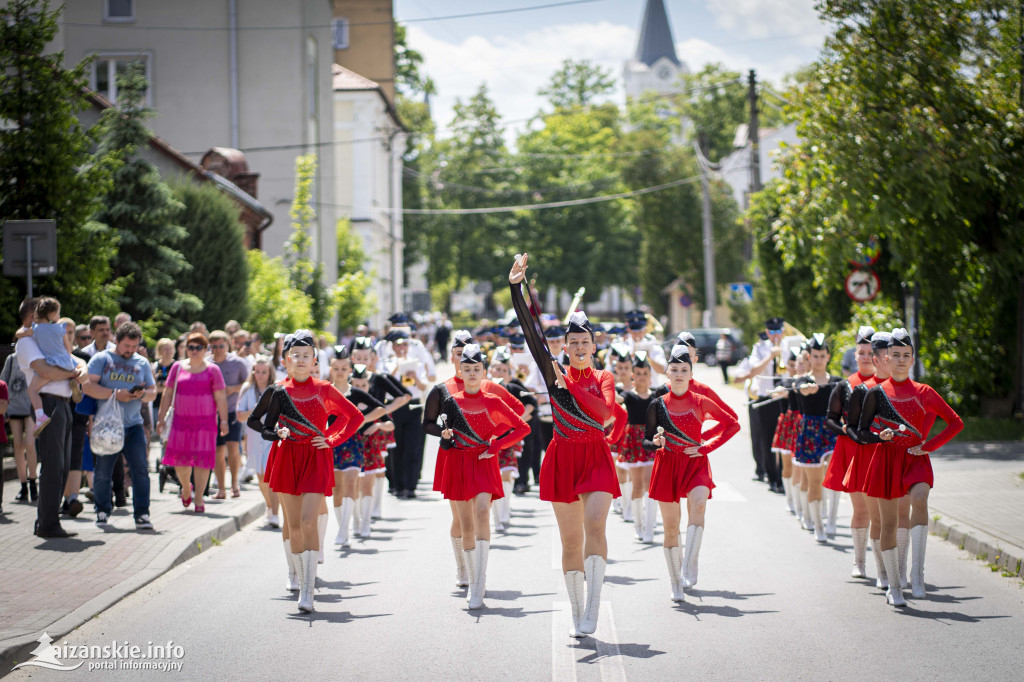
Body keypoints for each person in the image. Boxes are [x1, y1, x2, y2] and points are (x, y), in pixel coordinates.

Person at [509, 253, 620, 638]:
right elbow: (529, 329)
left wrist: (568, 383)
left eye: (584, 342)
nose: (578, 347)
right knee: (570, 541)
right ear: (566, 344)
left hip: (595, 455)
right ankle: (577, 611)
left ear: (593, 345)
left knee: (595, 523)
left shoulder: (603, 376)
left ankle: (593, 607)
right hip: (562, 456)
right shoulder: (551, 369)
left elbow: (604, 413)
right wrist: (514, 288)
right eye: (572, 342)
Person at [249, 330, 363, 613]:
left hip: (315, 457)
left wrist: (331, 438)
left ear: (315, 361)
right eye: (295, 355)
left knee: (309, 520)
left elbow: (354, 417)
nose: (300, 360)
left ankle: (308, 589)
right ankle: (297, 575)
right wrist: (275, 433)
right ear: (286, 361)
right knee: (294, 524)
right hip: (287, 458)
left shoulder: (325, 388)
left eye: (306, 356)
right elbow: (258, 423)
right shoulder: (279, 390)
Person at [856, 329, 963, 605]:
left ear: (913, 359)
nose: (901, 360)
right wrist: (880, 436)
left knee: (919, 498)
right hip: (887, 460)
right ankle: (894, 586)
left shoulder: (924, 392)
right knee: (889, 523)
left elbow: (955, 422)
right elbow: (862, 431)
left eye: (906, 355)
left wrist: (929, 446)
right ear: (886, 359)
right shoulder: (876, 393)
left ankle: (917, 573)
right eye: (896, 355)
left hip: (916, 459)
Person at [423, 330, 526, 590]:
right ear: (454, 358)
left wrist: (494, 437)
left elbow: (519, 412)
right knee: (460, 519)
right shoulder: (443, 390)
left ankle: (478, 572)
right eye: (459, 355)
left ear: (481, 367)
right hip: (453, 456)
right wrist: (449, 435)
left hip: (482, 455)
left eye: (472, 361)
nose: (466, 364)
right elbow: (427, 424)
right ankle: (463, 567)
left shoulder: (490, 387)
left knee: (481, 513)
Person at [645, 344, 740, 600]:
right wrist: (655, 442)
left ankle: (689, 562)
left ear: (690, 373)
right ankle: (675, 581)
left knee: (698, 503)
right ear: (667, 372)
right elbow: (646, 439)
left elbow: (732, 424)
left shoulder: (701, 401)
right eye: (674, 369)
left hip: (695, 464)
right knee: (671, 528)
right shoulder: (657, 404)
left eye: (683, 370)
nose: (678, 373)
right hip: (667, 465)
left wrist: (706, 446)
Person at [16, 297, 86, 538]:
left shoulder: (42, 336)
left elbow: (75, 360)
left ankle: (46, 520)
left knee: (62, 467)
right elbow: (45, 370)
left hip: (62, 403)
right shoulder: (28, 343)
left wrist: (78, 370)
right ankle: (48, 523)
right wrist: (70, 373)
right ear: (32, 317)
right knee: (54, 466)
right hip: (49, 402)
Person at [83, 322, 157, 530]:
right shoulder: (102, 359)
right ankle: (102, 510)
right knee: (103, 471)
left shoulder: (142, 363)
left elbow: (153, 391)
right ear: (116, 340)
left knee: (140, 470)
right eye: (127, 346)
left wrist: (141, 394)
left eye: (134, 347)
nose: (130, 351)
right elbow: (88, 386)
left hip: (134, 426)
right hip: (107, 426)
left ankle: (142, 514)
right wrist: (115, 394)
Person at [157, 332, 229, 514]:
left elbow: (220, 397)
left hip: (205, 423)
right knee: (180, 462)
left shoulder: (213, 370)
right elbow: (167, 393)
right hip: (181, 422)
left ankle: (199, 498)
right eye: (191, 347)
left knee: (202, 461)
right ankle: (186, 487)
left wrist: (224, 420)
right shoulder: (177, 367)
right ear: (186, 349)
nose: (194, 351)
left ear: (205, 350)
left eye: (198, 347)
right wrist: (161, 418)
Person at [823, 326, 876, 576]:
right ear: (854, 355)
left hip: (879, 452)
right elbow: (830, 419)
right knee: (861, 509)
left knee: (884, 513)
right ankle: (859, 561)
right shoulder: (845, 386)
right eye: (861, 352)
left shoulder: (886, 384)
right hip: (852, 451)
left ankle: (887, 567)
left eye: (870, 352)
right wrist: (846, 430)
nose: (865, 357)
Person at [328, 347, 388, 547]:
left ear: (349, 370)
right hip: (332, 443)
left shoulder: (355, 392)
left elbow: (381, 408)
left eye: (344, 368)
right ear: (331, 369)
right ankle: (342, 527)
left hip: (353, 442)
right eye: (336, 368)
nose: (339, 371)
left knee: (352, 482)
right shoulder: (325, 390)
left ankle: (344, 530)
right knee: (337, 490)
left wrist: (361, 421)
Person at [790, 334, 843, 543]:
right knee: (814, 482)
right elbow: (801, 388)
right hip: (810, 432)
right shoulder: (803, 380)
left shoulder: (838, 382)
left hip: (831, 429)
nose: (819, 359)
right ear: (809, 357)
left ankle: (831, 518)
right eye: (815, 356)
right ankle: (818, 525)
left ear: (828, 356)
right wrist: (806, 388)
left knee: (833, 474)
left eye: (822, 355)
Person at [486, 346, 537, 531]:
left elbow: (532, 404)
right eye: (497, 369)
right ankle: (495, 516)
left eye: (503, 370)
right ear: (490, 371)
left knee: (506, 475)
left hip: (507, 440)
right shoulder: (484, 388)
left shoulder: (514, 388)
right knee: (491, 480)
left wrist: (516, 421)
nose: (500, 372)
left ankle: (504, 511)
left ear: (509, 373)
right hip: (486, 440)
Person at [735, 317, 786, 491]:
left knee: (785, 439)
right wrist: (770, 356)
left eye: (778, 331)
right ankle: (773, 478)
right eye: (772, 332)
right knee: (768, 439)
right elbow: (753, 370)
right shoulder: (760, 348)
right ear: (767, 333)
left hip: (784, 396)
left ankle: (784, 476)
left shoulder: (788, 346)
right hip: (766, 397)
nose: (776, 335)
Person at [15, 298, 79, 436]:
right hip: (66, 362)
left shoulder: (37, 330)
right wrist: (69, 367)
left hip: (52, 364)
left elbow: (20, 334)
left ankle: (40, 416)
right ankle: (76, 383)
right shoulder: (60, 328)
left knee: (32, 390)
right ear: (52, 314)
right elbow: (68, 349)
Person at [618, 352, 659, 542]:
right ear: (633, 375)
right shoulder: (627, 395)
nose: (642, 377)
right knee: (637, 486)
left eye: (645, 373)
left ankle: (650, 527)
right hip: (633, 440)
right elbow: (615, 401)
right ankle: (639, 526)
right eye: (639, 373)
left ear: (650, 376)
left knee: (650, 485)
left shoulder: (657, 394)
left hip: (651, 440)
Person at [237, 356, 280, 527]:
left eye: (264, 372)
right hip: (255, 437)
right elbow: (240, 415)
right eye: (257, 371)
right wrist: (257, 409)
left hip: (272, 437)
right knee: (261, 478)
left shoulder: (277, 389)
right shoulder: (247, 389)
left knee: (271, 476)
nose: (260, 375)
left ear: (270, 372)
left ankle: (275, 514)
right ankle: (269, 507)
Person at [385, 331, 428, 499]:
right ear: (393, 346)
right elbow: (386, 379)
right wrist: (398, 366)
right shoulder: (387, 362)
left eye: (404, 344)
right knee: (396, 447)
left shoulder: (416, 363)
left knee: (412, 446)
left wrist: (415, 376)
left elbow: (424, 386)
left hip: (413, 405)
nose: (401, 348)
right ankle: (397, 484)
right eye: (398, 344)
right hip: (396, 405)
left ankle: (410, 486)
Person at [209, 330, 249, 499]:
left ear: (228, 345)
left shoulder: (238, 363)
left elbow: (247, 384)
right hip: (213, 413)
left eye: (221, 345)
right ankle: (221, 488)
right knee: (218, 450)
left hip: (233, 410)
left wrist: (231, 389)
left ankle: (234, 484)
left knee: (233, 447)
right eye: (215, 346)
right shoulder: (207, 364)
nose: (218, 349)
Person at [1, 346, 38, 504]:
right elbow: (4, 381)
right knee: (18, 445)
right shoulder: (11, 360)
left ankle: (33, 481)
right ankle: (23, 485)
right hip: (14, 408)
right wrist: (5, 409)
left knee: (30, 443)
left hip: (31, 407)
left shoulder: (36, 358)